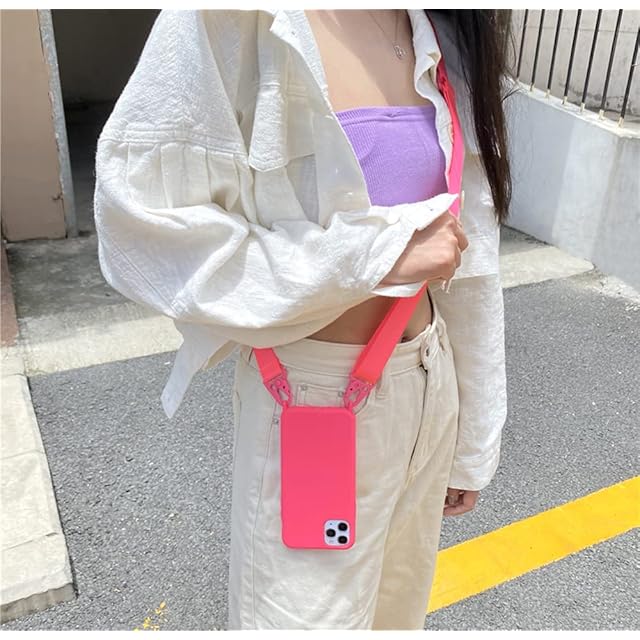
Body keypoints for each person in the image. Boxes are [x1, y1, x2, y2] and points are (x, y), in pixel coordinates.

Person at [93, 8, 513, 630]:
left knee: (397, 620)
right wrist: (373, 255)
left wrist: (473, 439)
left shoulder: (439, 26)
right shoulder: (230, 19)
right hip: (313, 398)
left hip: (430, 380)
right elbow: (141, 227)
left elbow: (471, 259)